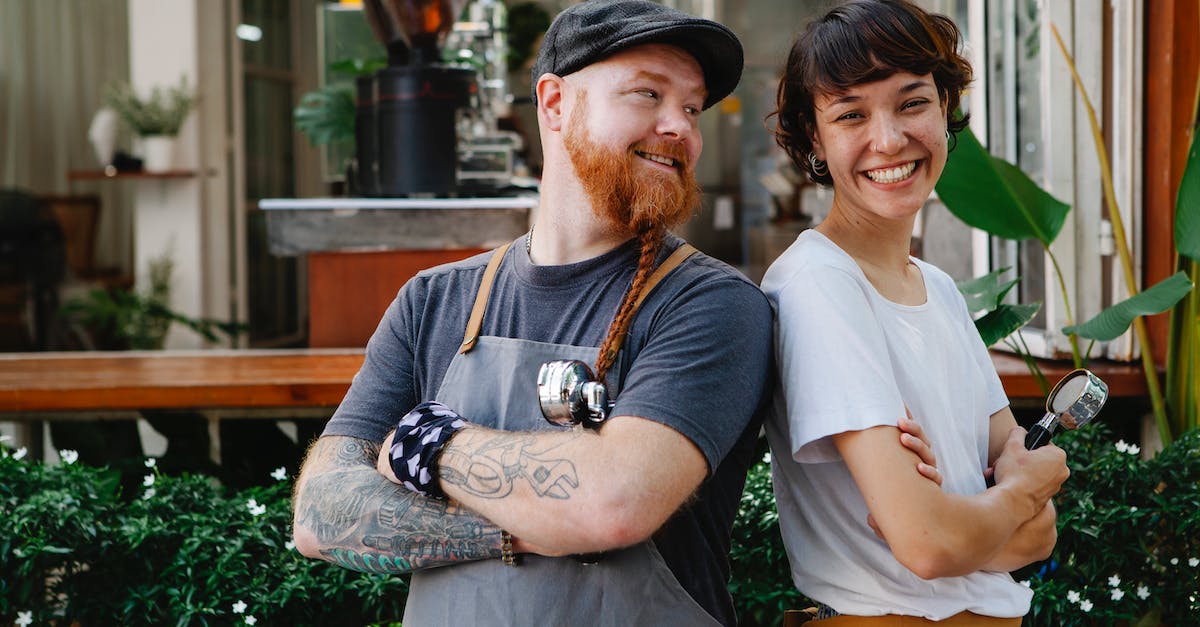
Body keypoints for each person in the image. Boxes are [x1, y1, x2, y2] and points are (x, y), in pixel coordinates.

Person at [292, 2, 775, 624]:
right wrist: (539, 525)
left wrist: (429, 443)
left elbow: (612, 504)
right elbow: (322, 514)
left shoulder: (710, 304)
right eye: (648, 94)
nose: (679, 126)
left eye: (692, 107)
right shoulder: (433, 301)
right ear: (553, 103)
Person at [762, 1, 1071, 624]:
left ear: (945, 106)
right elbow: (931, 545)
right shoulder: (819, 285)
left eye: (912, 103)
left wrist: (971, 521)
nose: (888, 140)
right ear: (815, 138)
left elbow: (1038, 538)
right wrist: (1021, 491)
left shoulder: (939, 289)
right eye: (851, 115)